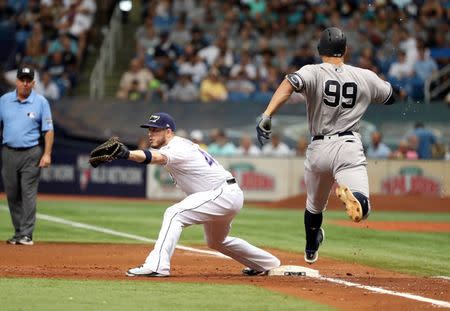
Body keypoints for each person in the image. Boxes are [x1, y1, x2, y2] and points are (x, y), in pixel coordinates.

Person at [256, 27, 395, 264]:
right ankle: (357, 198)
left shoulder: (312, 71)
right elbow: (391, 96)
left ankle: (311, 245)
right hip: (349, 146)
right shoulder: (365, 76)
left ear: (320, 50)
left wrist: (267, 114)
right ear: (346, 50)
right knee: (364, 207)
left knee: (314, 206)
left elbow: (289, 84)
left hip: (319, 148)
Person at [109, 112, 280, 277]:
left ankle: (157, 266)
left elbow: (155, 158)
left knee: (174, 213)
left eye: (155, 130)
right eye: (149, 130)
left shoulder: (177, 146)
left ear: (168, 132)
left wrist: (128, 154)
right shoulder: (177, 145)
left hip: (222, 193)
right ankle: (268, 264)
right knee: (215, 241)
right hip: (223, 194)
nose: (150, 134)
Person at [0, 65, 54, 246]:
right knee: (12, 193)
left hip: (31, 152)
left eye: (28, 80)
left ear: (33, 83)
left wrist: (46, 154)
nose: (25, 83)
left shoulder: (41, 102)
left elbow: (48, 130)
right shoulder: (4, 100)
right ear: (16, 81)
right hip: (8, 152)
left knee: (28, 193)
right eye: (22, 80)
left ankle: (26, 234)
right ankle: (18, 232)